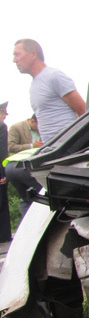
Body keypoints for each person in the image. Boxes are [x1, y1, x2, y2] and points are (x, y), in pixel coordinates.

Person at [12, 39, 86, 143]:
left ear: (33, 54)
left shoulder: (54, 76)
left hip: (69, 145)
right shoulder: (33, 85)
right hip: (51, 148)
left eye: (17, 54)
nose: (14, 60)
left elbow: (83, 111)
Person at [5, 114, 43, 217]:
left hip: (32, 167)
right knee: (42, 195)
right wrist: (32, 146)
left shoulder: (43, 129)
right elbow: (11, 147)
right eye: (38, 124)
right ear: (31, 121)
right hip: (19, 167)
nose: (40, 127)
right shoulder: (17, 127)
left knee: (28, 199)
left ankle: (27, 227)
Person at [0, 102, 13, 242]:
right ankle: (3, 236)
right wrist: (4, 172)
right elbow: (2, 151)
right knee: (2, 203)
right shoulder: (1, 127)